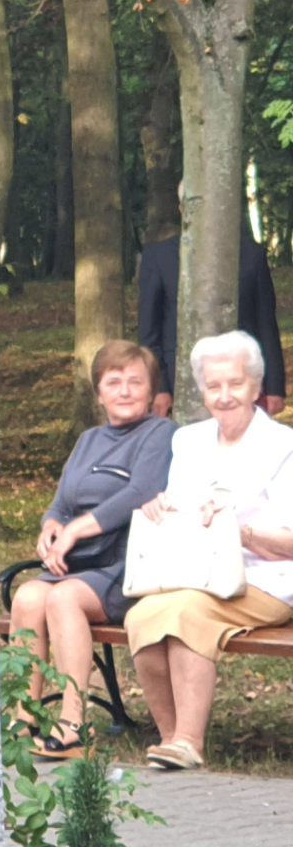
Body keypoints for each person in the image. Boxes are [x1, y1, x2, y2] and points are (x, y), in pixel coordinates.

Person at [125, 330, 293, 771]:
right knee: (141, 616)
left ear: (256, 386)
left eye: (235, 383)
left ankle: (189, 740)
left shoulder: (284, 446)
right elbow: (181, 511)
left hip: (265, 579)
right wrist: (162, 509)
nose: (224, 396)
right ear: (202, 391)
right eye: (213, 385)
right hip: (198, 573)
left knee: (186, 613)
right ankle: (169, 738)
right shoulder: (189, 440)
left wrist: (242, 533)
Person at [9, 342, 175, 759]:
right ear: (98, 392)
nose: (125, 391)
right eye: (113, 382)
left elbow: (140, 493)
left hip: (127, 565)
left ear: (151, 391)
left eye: (135, 382)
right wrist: (51, 528)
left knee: (63, 598)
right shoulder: (88, 440)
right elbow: (61, 503)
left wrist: (74, 531)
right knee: (28, 596)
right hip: (79, 564)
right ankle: (23, 719)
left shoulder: (160, 433)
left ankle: (74, 724)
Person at [138, 227, 285, 417]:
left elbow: (266, 324)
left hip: (242, 379)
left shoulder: (251, 254)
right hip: (179, 382)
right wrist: (159, 387)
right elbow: (149, 332)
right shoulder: (159, 255)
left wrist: (274, 387)